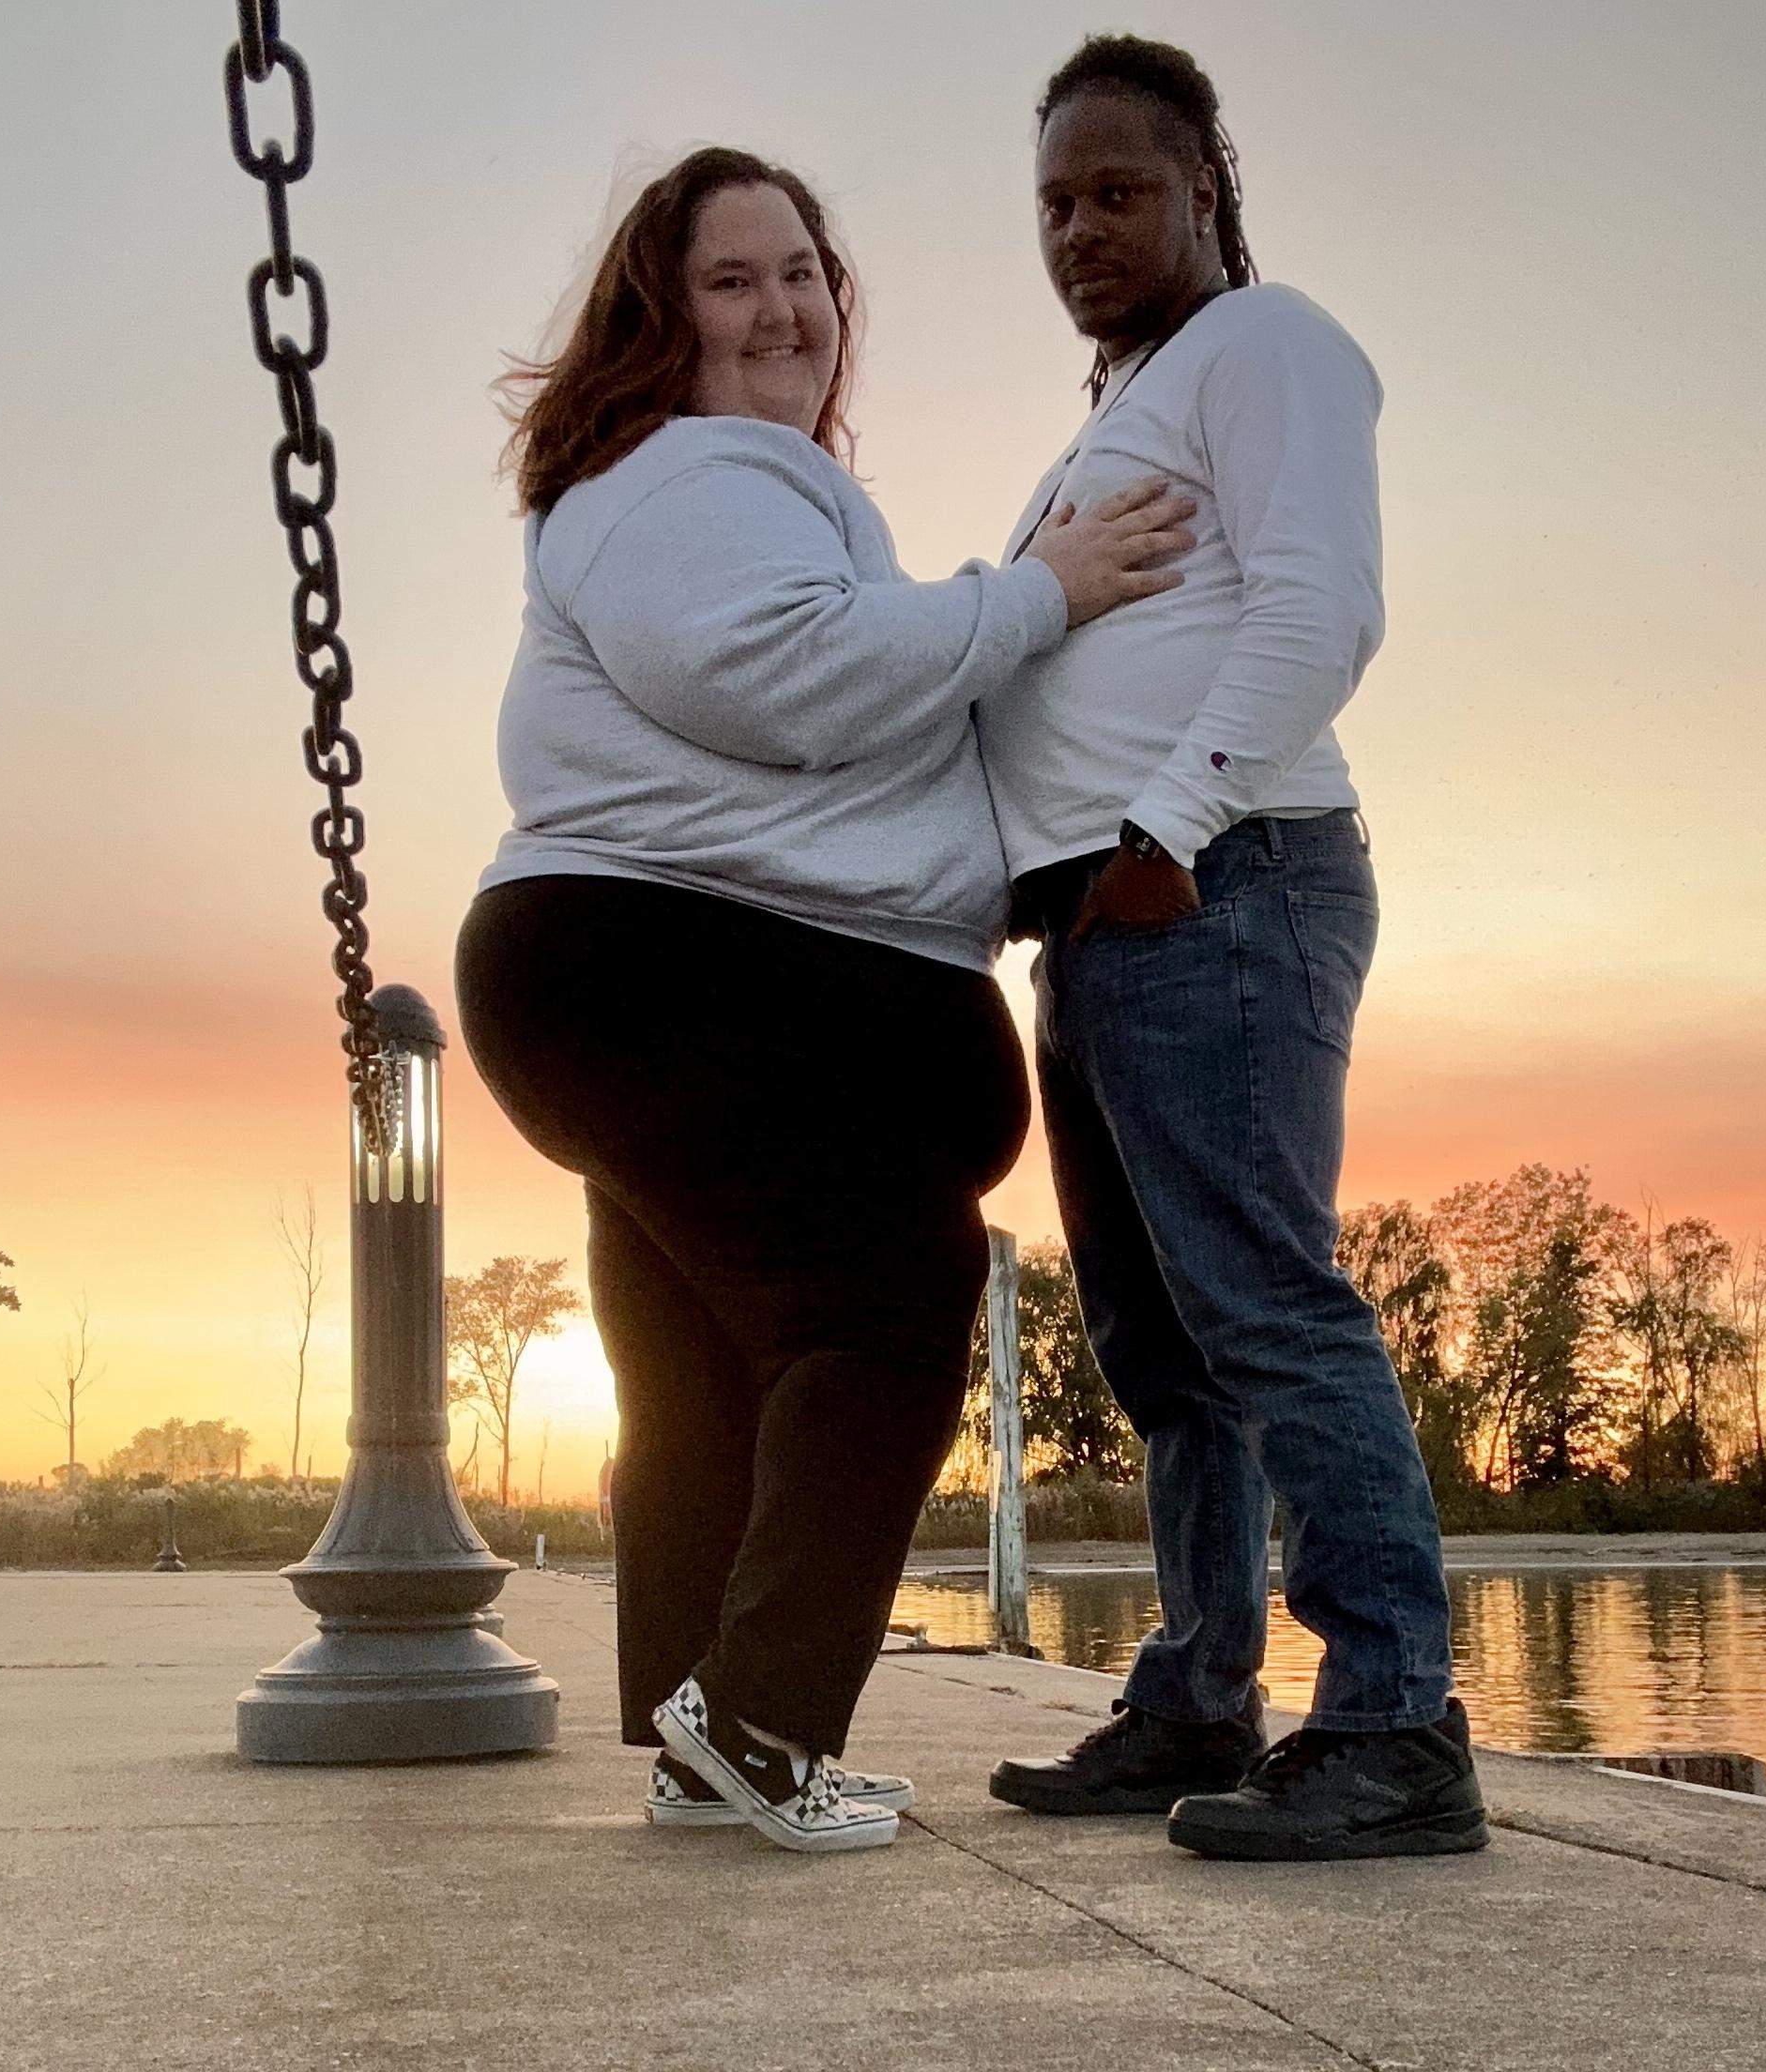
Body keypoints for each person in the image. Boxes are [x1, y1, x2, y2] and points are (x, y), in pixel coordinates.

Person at [455, 146, 1192, 1854]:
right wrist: (1043, 590)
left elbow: (831, 718)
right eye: (735, 280)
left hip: (658, 972)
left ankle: (705, 1736)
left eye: (805, 273)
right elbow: (787, 675)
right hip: (682, 966)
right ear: (663, 319)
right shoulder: (690, 472)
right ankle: (764, 1725)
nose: (784, 309)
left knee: (705, 1367)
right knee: (885, 1303)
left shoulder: (715, 487)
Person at [979, 38, 1487, 1862]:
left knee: (1265, 1301)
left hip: (1221, 880)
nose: (1082, 228)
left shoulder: (1264, 345)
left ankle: (1397, 1726)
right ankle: (1200, 1692)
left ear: (1206, 188)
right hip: (1106, 919)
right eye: (1055, 201)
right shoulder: (1118, 409)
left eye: (1119, 190)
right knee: (1161, 1342)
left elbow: (1323, 604)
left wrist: (1163, 835)